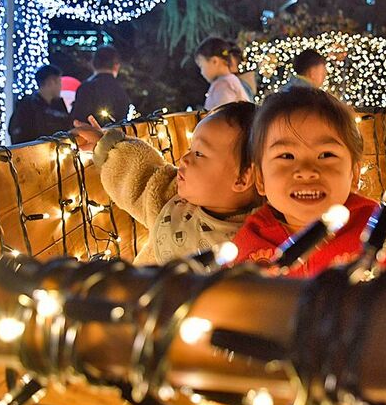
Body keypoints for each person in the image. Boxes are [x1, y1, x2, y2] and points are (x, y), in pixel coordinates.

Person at [233, 87, 386, 277]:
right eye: (286, 156)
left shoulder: (383, 230)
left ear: (354, 173)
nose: (306, 171)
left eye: (326, 155)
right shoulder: (250, 245)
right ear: (260, 178)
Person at [73, 102, 259, 265]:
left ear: (242, 178)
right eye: (190, 149)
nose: (185, 159)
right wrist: (105, 145)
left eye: (199, 153)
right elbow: (142, 176)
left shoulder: (258, 240)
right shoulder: (170, 201)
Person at [8, 64, 70, 143]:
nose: (61, 86)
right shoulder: (27, 106)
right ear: (50, 82)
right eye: (59, 82)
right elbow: (18, 135)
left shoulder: (58, 105)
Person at [71, 45, 130, 125]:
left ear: (93, 63)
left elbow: (77, 120)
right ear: (116, 65)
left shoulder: (86, 88)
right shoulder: (121, 90)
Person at [195, 37, 250, 110]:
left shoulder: (223, 85)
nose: (201, 72)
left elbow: (224, 117)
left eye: (201, 66)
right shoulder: (230, 81)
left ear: (214, 61)